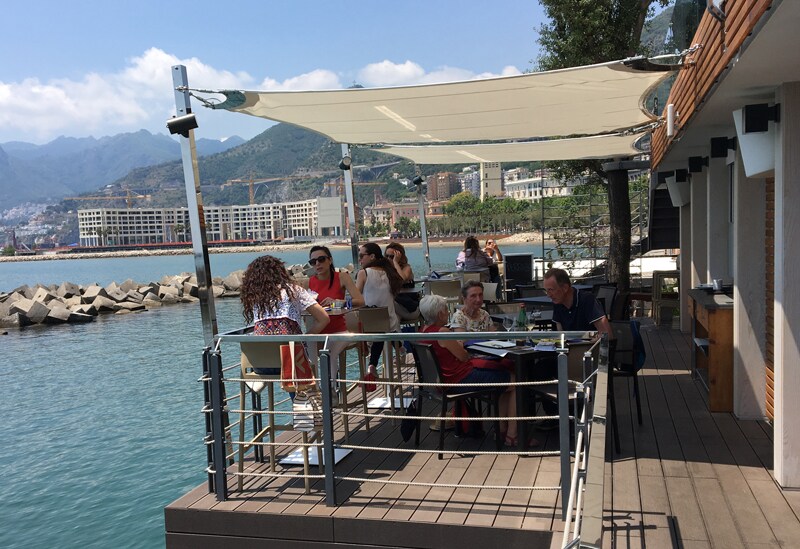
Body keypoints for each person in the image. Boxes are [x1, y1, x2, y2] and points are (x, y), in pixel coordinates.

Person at [418, 295, 535, 448]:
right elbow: (463, 356)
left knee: (507, 378)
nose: (447, 312)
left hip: (443, 381)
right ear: (440, 314)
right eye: (446, 310)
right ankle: (512, 435)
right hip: (461, 379)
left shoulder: (422, 331)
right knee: (516, 382)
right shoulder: (442, 332)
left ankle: (501, 429)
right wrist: (459, 345)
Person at [240, 255, 330, 375]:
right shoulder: (293, 290)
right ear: (280, 272)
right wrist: (305, 338)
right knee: (296, 350)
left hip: (260, 365)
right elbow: (324, 318)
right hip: (291, 362)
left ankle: (268, 385)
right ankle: (299, 388)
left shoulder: (254, 296)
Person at [307, 246, 365, 394]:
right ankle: (315, 387)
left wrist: (338, 302)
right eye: (313, 262)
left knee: (330, 353)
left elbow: (360, 300)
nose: (317, 264)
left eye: (321, 259)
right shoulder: (309, 282)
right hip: (319, 331)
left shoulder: (342, 277)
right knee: (308, 342)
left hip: (340, 331)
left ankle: (332, 390)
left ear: (330, 260)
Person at [355, 242, 404, 388]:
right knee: (382, 327)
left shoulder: (363, 273)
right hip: (390, 323)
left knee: (377, 327)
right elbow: (402, 279)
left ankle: (372, 365)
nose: (359, 259)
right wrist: (395, 263)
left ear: (372, 256)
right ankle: (400, 348)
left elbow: (356, 298)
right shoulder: (389, 272)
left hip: (371, 323)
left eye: (361, 256)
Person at [543, 268, 611, 337]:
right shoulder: (558, 302)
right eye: (546, 291)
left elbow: (607, 335)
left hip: (590, 343)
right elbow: (560, 334)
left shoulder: (587, 300)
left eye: (551, 290)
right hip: (571, 343)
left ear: (565, 288)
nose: (548, 295)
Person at [385, 242, 420, 320]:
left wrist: (395, 262)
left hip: (409, 308)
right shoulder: (386, 270)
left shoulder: (406, 268)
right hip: (396, 309)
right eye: (386, 256)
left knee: (387, 301)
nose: (388, 259)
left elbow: (402, 279)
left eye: (392, 257)